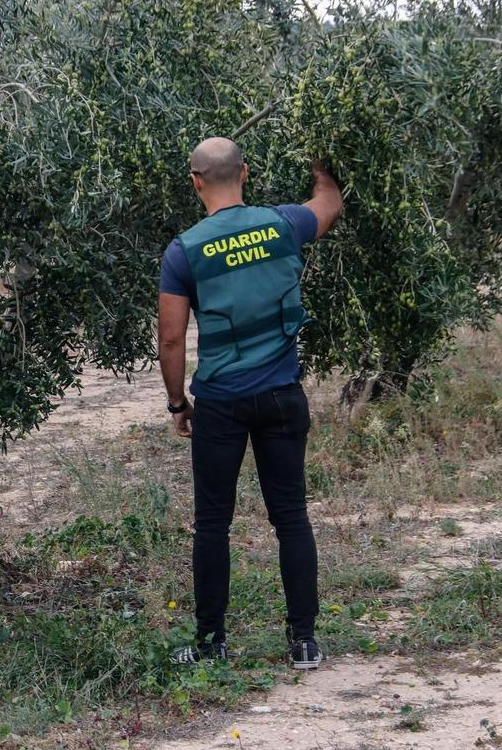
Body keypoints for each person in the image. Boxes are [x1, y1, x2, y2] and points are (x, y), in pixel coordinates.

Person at [157, 137, 342, 670]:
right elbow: (329, 202)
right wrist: (322, 159)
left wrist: (177, 404)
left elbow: (171, 339)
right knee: (291, 517)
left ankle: (212, 643)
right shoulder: (283, 223)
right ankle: (304, 642)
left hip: (220, 403)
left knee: (212, 524)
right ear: (245, 173)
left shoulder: (185, 250)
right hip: (283, 397)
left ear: (196, 183)